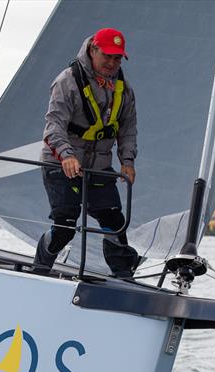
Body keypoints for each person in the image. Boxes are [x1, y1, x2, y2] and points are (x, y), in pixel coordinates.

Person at [33, 27, 140, 277]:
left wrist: (127, 161)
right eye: (107, 56)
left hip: (98, 166)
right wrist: (67, 155)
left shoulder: (124, 90)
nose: (112, 63)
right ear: (93, 50)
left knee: (115, 222)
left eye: (117, 58)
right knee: (65, 227)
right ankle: (40, 269)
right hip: (61, 165)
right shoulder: (67, 81)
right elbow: (54, 126)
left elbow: (128, 129)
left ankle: (123, 279)